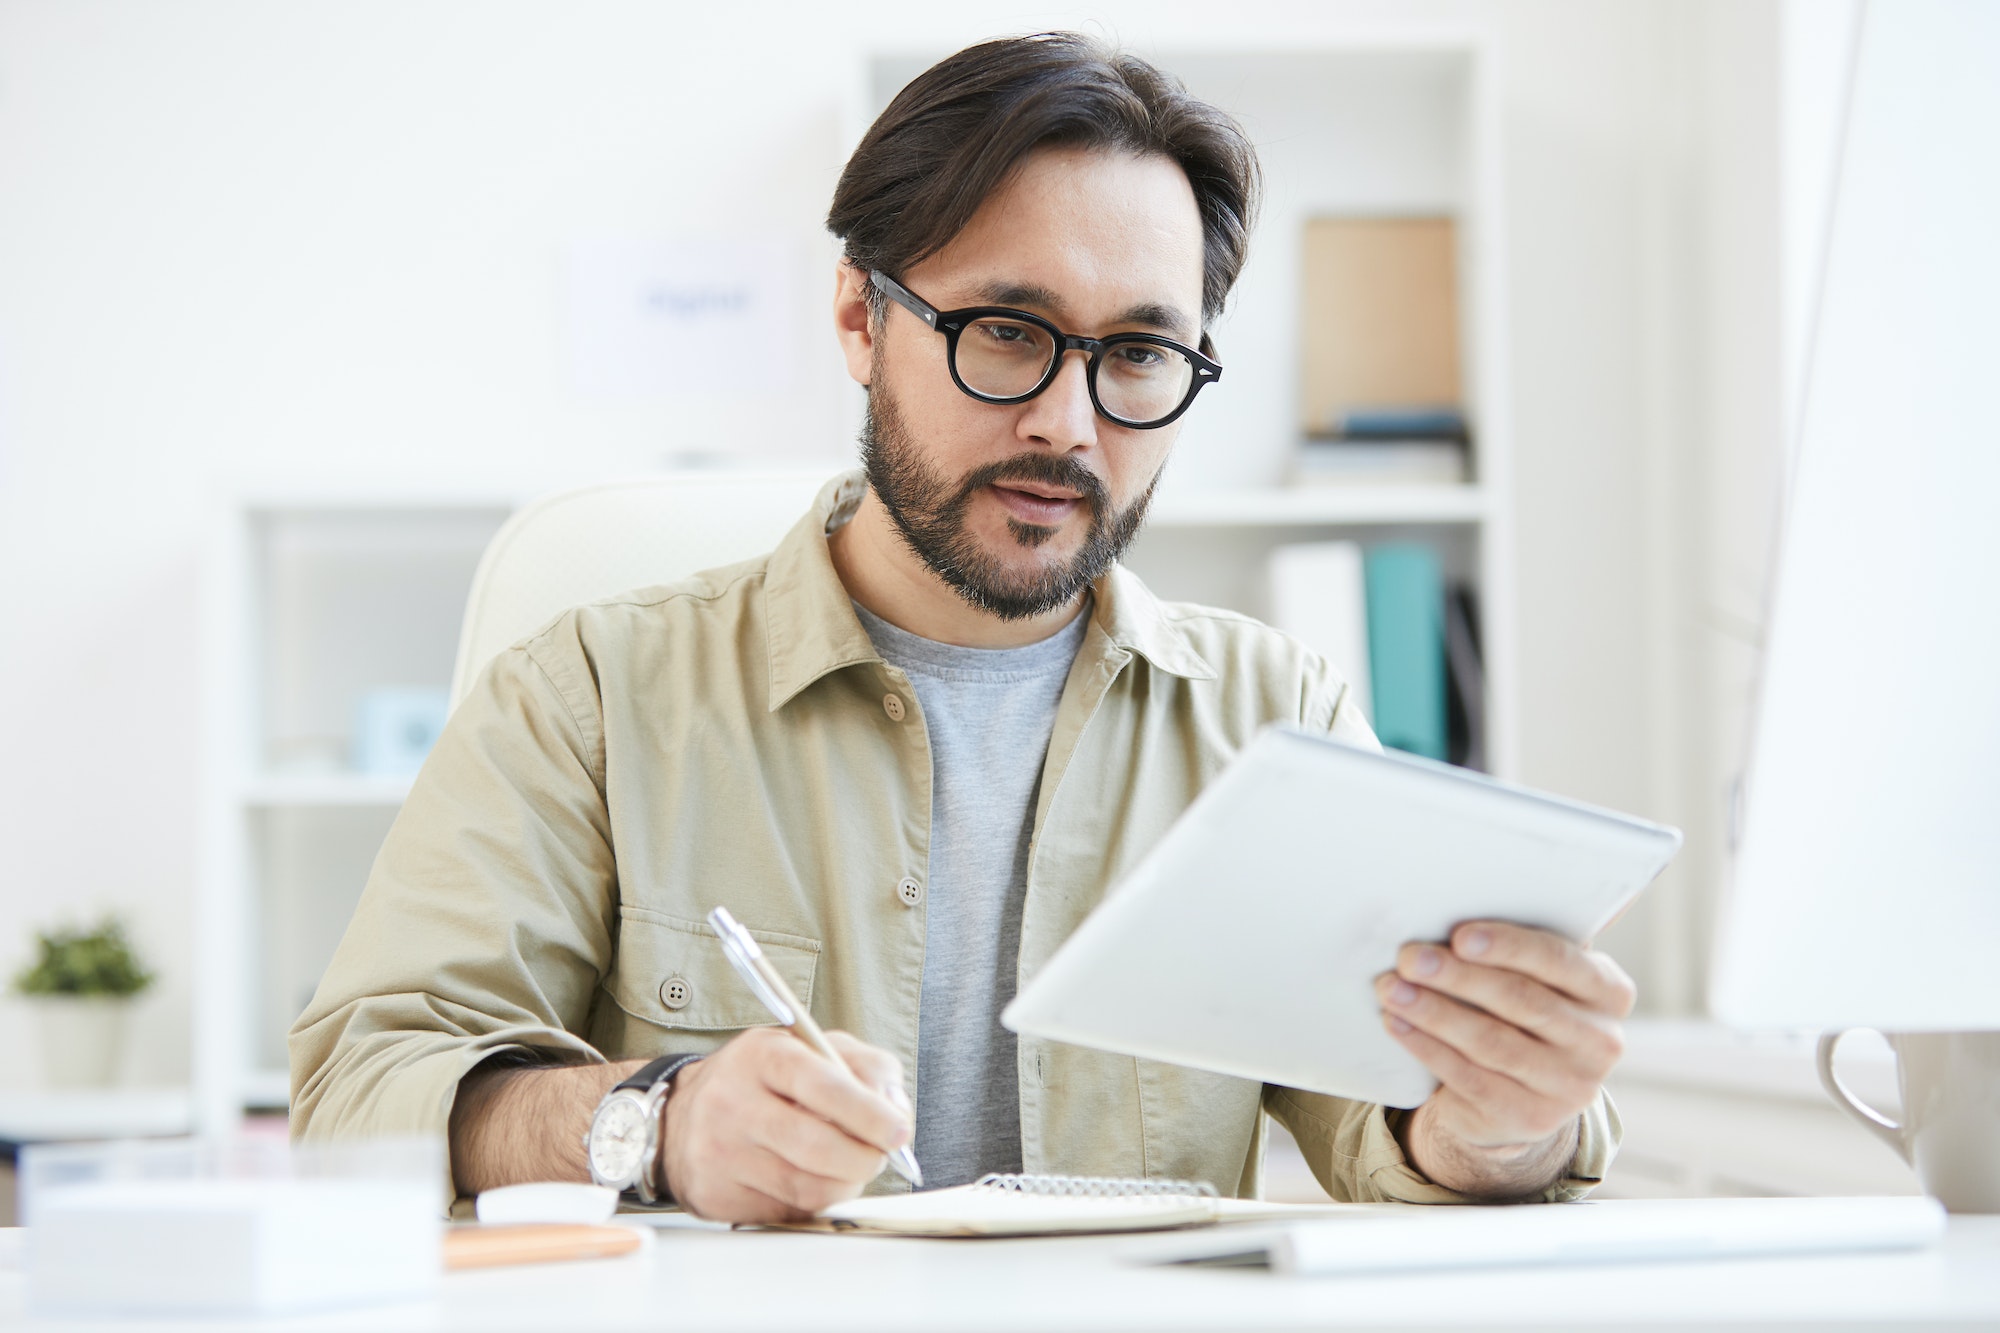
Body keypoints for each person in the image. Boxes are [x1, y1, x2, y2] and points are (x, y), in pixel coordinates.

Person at [290, 33, 1629, 1223]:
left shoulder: (1272, 710)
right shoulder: (588, 690)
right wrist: (662, 1119)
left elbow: (1376, 1116)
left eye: (1139, 355)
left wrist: (1490, 1123)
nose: (1069, 421)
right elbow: (362, 1086)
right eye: (1006, 331)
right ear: (860, 318)